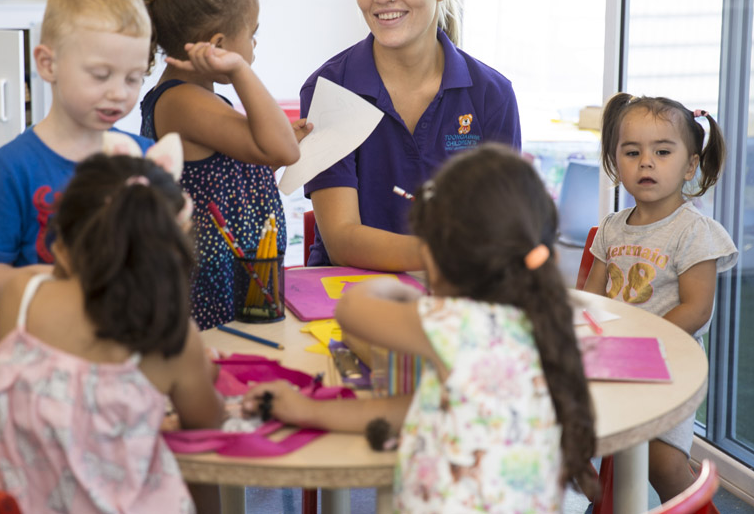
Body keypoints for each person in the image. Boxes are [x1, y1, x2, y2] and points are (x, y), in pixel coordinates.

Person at [244, 143, 596, 512]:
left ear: (434, 253)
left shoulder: (454, 324)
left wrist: (394, 288)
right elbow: (421, 408)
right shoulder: (542, 321)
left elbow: (350, 309)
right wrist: (308, 411)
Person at [0, 151, 227, 513]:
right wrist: (203, 375)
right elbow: (207, 424)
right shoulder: (172, 335)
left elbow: (51, 406)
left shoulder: (22, 295)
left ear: (61, 244)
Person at [300, 0, 521, 271]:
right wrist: (448, 254)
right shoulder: (330, 87)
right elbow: (341, 239)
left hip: (456, 299)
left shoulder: (491, 96)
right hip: (347, 301)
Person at [128, 0, 303, 329]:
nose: (254, 46)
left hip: (237, 280)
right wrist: (239, 70)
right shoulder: (181, 102)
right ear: (219, 45)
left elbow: (225, 176)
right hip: (209, 295)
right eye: (252, 34)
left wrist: (277, 146)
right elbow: (283, 149)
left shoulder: (197, 100)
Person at [582, 92, 738, 502]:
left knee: (663, 467)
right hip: (616, 360)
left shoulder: (693, 231)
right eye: (632, 152)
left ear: (690, 165)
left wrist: (643, 339)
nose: (646, 162)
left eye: (662, 151)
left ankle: (696, 506)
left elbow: (697, 308)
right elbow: (591, 296)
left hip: (670, 366)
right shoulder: (613, 228)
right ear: (616, 162)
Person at [0, 0, 154, 305]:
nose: (118, 93)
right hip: (43, 345)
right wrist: (55, 284)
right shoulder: (9, 168)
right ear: (48, 64)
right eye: (100, 75)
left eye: (133, 78)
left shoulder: (145, 158)